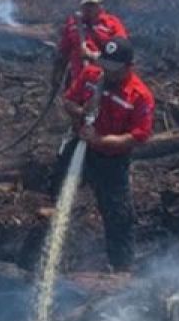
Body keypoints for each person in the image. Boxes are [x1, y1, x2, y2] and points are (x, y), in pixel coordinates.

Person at [56, 37, 155, 271]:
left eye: (113, 70)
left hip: (112, 160)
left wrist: (102, 141)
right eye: (105, 66)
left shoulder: (139, 96)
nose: (107, 73)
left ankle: (121, 268)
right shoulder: (92, 76)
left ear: (128, 67)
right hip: (81, 146)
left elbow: (138, 136)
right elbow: (68, 100)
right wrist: (80, 113)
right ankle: (52, 248)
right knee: (58, 190)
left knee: (118, 215)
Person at [53, 0, 129, 90]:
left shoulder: (112, 23)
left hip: (103, 82)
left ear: (100, 5)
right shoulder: (73, 23)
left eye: (92, 4)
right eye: (86, 5)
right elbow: (64, 50)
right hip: (77, 81)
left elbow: (121, 52)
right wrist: (57, 73)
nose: (88, 8)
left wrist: (94, 56)